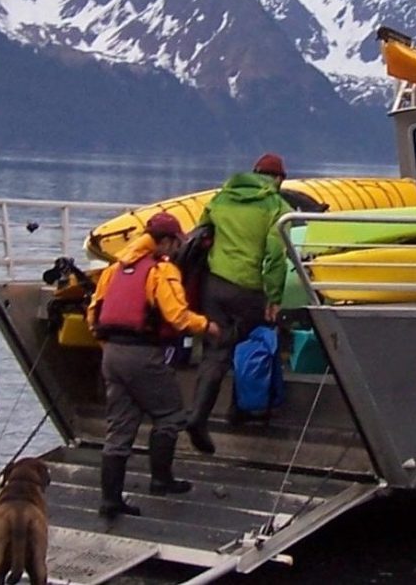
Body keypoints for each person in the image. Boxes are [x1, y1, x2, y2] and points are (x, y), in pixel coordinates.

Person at [87, 213, 220, 517]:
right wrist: (207, 325)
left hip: (112, 356)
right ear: (166, 241)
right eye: (176, 242)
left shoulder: (114, 270)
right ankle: (161, 480)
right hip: (143, 355)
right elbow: (177, 316)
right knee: (170, 415)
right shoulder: (161, 271)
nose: (177, 248)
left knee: (119, 429)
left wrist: (107, 347)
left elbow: (94, 314)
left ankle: (110, 500)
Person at [186, 153, 292, 454]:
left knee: (215, 353)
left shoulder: (220, 199)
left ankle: (198, 416)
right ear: (278, 178)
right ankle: (242, 409)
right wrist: (274, 297)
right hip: (249, 289)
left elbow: (201, 233)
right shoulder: (276, 206)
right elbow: (275, 257)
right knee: (262, 337)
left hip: (214, 285)